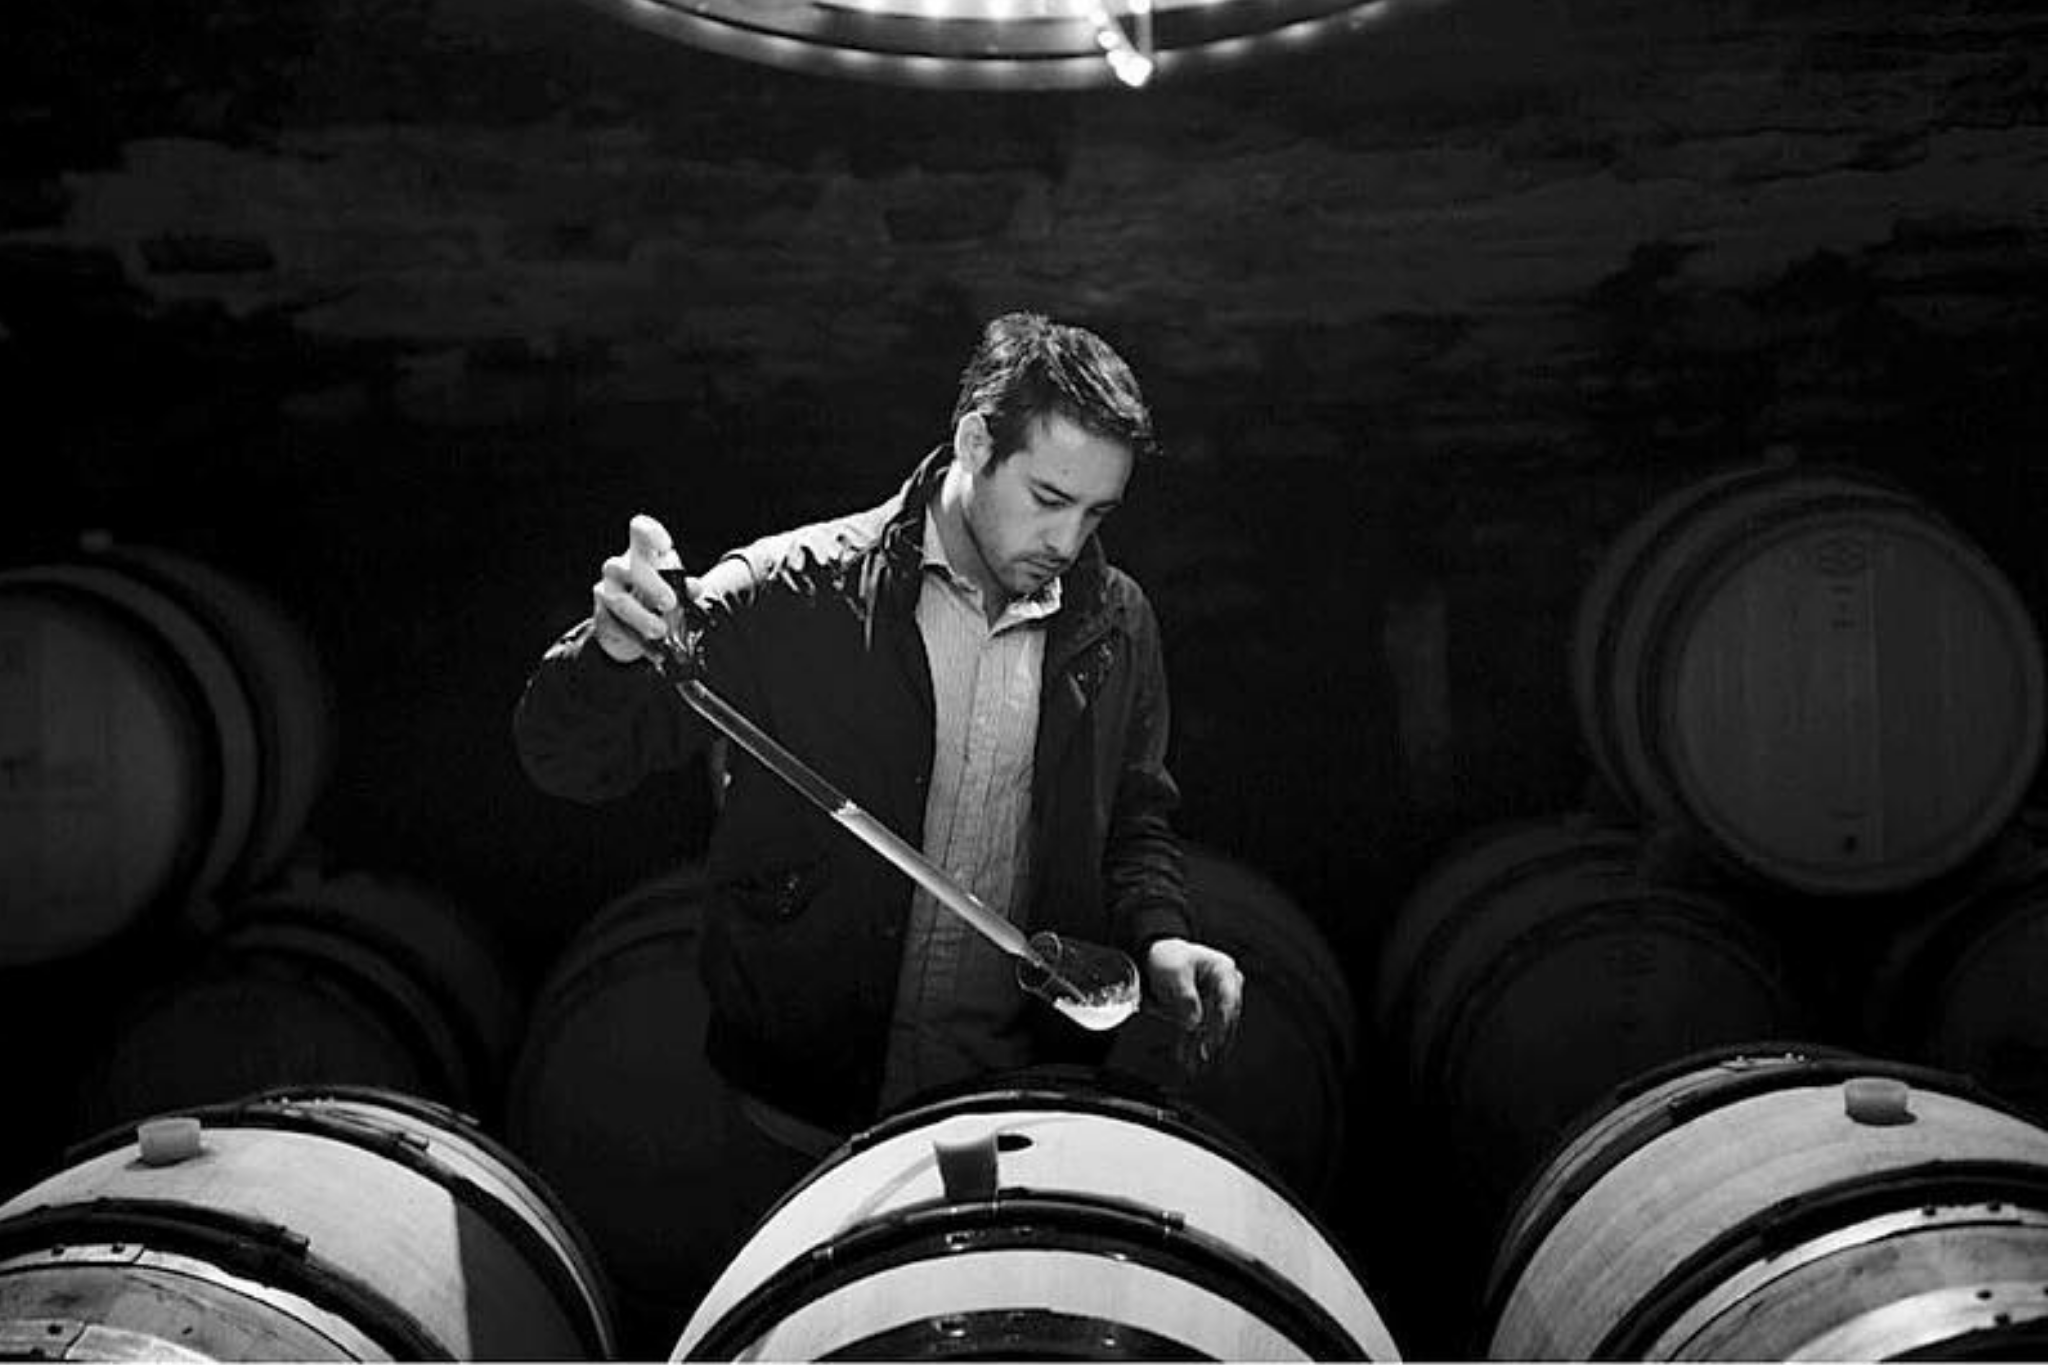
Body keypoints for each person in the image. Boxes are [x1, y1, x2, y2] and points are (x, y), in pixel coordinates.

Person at [513, 311, 1244, 1160]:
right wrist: (609, 653)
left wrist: (1160, 935)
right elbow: (570, 759)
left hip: (1017, 1114)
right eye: (1049, 499)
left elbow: (1133, 820)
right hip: (799, 1116)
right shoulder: (792, 593)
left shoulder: (1117, 622)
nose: (1068, 540)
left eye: (1095, 512)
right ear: (975, 443)